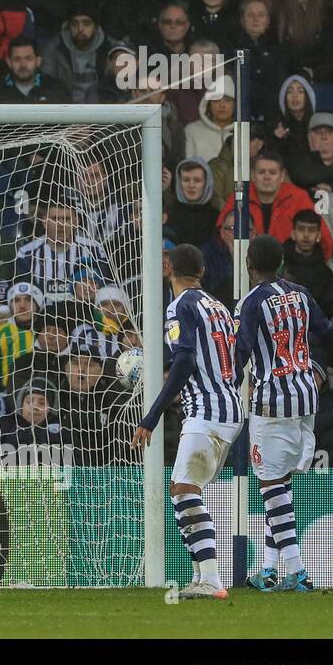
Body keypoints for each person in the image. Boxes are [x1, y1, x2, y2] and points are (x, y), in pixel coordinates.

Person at [131, 243, 242, 600]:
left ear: (168, 267)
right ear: (203, 271)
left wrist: (151, 416)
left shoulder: (180, 306)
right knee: (186, 489)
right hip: (229, 406)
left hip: (207, 410)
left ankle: (211, 578)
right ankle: (201, 577)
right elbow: (230, 359)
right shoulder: (219, 307)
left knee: (183, 490)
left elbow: (184, 359)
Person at [234, 235, 333, 593]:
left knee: (270, 486)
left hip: (271, 402)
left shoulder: (250, 303)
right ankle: (267, 569)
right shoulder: (300, 293)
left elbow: (240, 353)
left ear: (249, 265)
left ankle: (297, 571)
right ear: (280, 261)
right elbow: (329, 333)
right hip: (305, 397)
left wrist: (226, 384)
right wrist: (318, 372)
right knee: (279, 484)